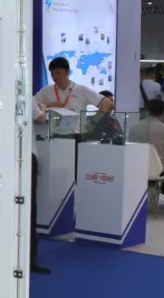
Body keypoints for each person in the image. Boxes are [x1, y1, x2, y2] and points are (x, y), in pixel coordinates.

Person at [129, 98, 164, 192]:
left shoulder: (133, 128)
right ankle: (159, 191)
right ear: (163, 112)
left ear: (147, 110)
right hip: (160, 169)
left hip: (137, 167)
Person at [34, 57, 115, 120]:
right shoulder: (46, 90)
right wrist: (49, 105)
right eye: (52, 73)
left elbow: (107, 104)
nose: (55, 76)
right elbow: (31, 105)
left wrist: (93, 123)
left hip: (77, 133)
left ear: (67, 72)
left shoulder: (81, 90)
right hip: (53, 134)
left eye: (58, 73)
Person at [31, 99, 50, 275]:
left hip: (4, 156)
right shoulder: (27, 97)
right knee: (29, 209)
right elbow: (41, 119)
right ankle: (30, 258)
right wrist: (43, 107)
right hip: (26, 155)